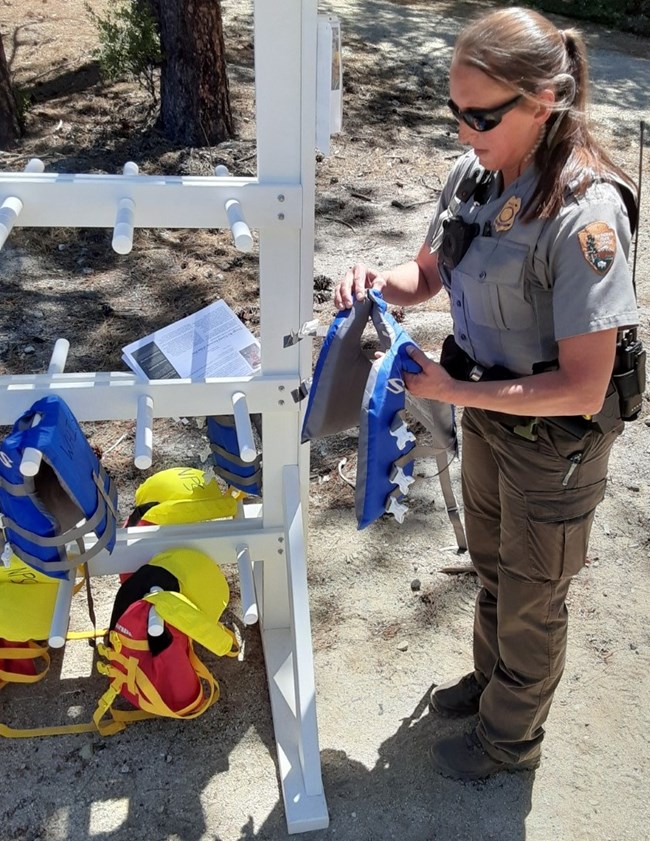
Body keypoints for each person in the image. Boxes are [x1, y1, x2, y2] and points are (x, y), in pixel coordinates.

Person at [334, 6, 639, 780]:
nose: (463, 130)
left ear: (544, 101)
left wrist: (450, 390)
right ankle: (489, 685)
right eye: (455, 111)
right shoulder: (473, 176)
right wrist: (380, 282)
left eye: (481, 114)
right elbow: (429, 272)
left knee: (535, 598)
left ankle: (510, 741)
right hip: (488, 413)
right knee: (496, 567)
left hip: (554, 443)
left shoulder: (585, 217)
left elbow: (582, 385)